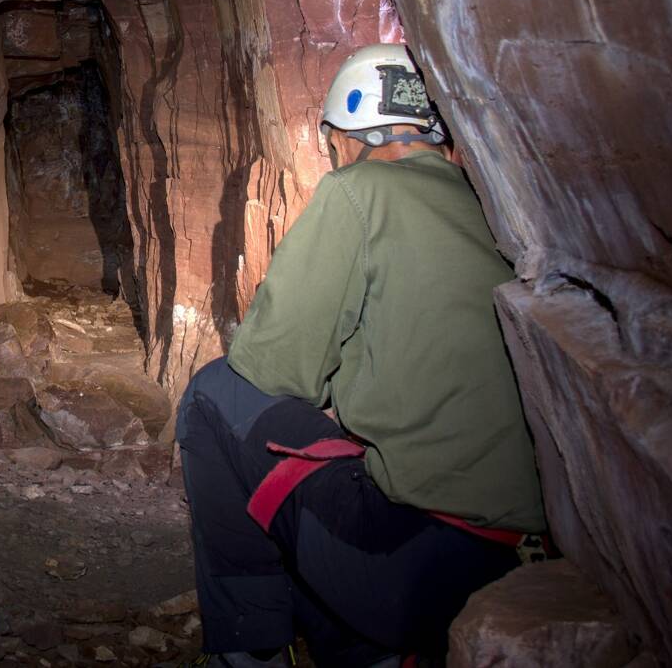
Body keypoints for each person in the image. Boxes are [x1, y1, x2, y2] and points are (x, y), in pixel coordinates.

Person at [175, 44, 546, 668]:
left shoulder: (359, 189)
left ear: (342, 137)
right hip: (513, 561)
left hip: (412, 567)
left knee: (216, 394)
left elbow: (272, 365)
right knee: (340, 458)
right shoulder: (495, 206)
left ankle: (250, 651)